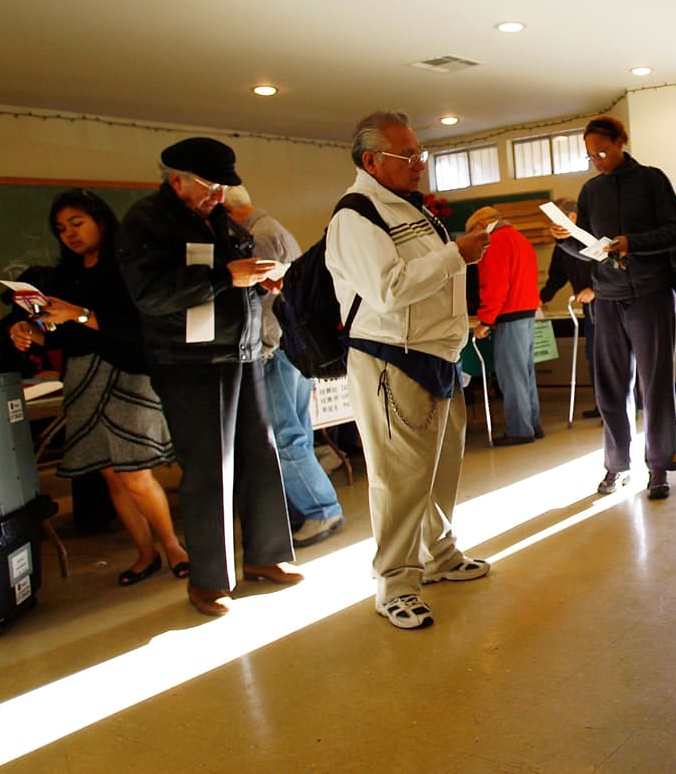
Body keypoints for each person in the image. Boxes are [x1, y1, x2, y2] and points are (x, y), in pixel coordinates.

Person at [116, 137, 301, 617]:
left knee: (260, 453)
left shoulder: (216, 218)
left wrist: (258, 281)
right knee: (208, 468)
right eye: (210, 187)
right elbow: (150, 294)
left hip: (243, 351)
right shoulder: (145, 221)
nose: (218, 196)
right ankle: (209, 580)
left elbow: (232, 275)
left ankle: (266, 556)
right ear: (176, 180)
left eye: (223, 188)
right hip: (190, 363)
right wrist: (226, 278)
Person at [325, 110, 492, 630]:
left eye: (421, 153)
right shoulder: (356, 216)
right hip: (390, 359)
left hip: (438, 355)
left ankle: (438, 555)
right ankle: (394, 583)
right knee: (398, 480)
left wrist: (458, 258)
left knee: (438, 470)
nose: (419, 163)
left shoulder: (412, 210)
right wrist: (455, 255)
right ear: (371, 161)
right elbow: (389, 289)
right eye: (408, 155)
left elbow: (428, 278)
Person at [8, 189, 187, 586]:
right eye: (61, 229)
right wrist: (30, 333)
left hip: (129, 373)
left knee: (135, 472)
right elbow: (62, 336)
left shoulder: (127, 263)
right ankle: (145, 553)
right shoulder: (65, 275)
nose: (69, 234)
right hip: (82, 376)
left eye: (77, 223)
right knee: (112, 475)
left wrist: (80, 314)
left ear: (101, 221)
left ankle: (174, 546)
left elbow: (137, 326)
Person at [550, 115, 676, 500]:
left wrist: (632, 243)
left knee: (655, 382)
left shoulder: (651, 180)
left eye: (602, 152)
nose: (596, 161)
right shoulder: (591, 191)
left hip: (651, 292)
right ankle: (616, 465)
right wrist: (564, 238)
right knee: (610, 385)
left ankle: (659, 466)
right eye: (590, 156)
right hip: (607, 297)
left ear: (621, 142)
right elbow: (588, 247)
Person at [223, 185, 346, 548]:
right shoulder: (274, 229)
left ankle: (322, 508)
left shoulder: (260, 237)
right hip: (290, 345)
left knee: (284, 435)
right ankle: (312, 506)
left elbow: (262, 299)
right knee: (298, 433)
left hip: (274, 347)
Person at [468, 205, 544, 445]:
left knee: (511, 376)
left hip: (509, 314)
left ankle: (520, 430)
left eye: (473, 231)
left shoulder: (495, 242)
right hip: (527, 312)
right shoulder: (520, 238)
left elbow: (495, 285)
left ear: (482, 224)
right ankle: (533, 424)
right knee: (526, 373)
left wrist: (485, 320)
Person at [539, 198, 600, 420]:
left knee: (611, 356)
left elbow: (611, 266)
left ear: (572, 217)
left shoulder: (593, 234)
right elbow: (557, 277)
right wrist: (541, 298)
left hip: (607, 303)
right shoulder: (562, 245)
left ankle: (626, 403)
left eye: (555, 219)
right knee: (593, 356)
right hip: (590, 309)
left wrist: (595, 289)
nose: (552, 225)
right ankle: (602, 404)